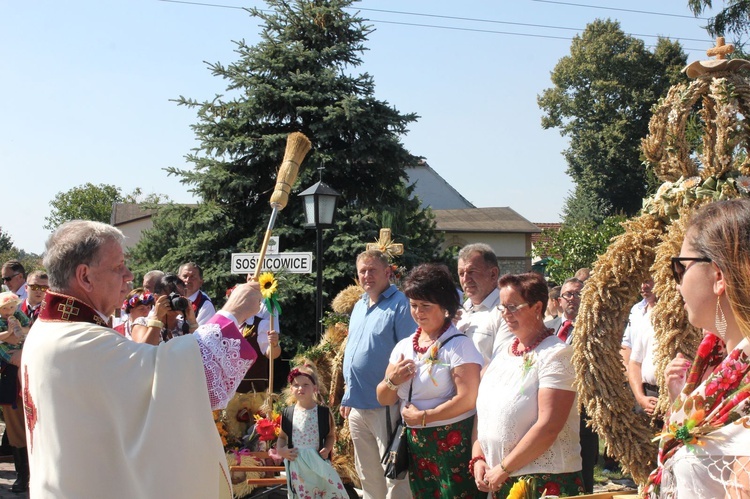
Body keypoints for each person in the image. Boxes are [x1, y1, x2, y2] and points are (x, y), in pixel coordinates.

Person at [21, 220, 262, 498]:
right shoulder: (76, 342)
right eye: (118, 266)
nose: (129, 275)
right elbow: (184, 380)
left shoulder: (49, 329)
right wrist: (233, 313)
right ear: (85, 277)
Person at [644, 199, 750, 498]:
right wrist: (681, 401)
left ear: (718, 276)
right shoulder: (717, 371)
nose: (676, 284)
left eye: (680, 267)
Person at [376, 263, 483, 499]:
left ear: (444, 307)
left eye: (425, 305)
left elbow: (468, 399)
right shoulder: (404, 346)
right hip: (416, 442)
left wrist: (424, 417)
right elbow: (384, 397)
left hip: (452, 441)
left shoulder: (459, 345)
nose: (418, 312)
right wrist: (393, 381)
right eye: (413, 305)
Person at [473, 272, 584, 497]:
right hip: (499, 477)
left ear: (537, 308)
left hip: (543, 480)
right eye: (502, 307)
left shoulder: (557, 354)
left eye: (513, 307)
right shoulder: (503, 353)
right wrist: (478, 458)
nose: (506, 314)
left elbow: (549, 425)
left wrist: (504, 468)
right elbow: (482, 414)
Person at [340, 249, 416, 499]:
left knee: (394, 474)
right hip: (358, 407)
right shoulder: (360, 305)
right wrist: (347, 395)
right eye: (362, 271)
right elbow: (353, 352)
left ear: (387, 272)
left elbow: (408, 353)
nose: (366, 275)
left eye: (372, 270)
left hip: (386, 405)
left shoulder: (400, 304)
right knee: (367, 475)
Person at [545, 276, 598, 493]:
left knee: (583, 468)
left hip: (581, 406)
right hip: (551, 404)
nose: (573, 298)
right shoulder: (549, 328)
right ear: (559, 300)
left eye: (578, 294)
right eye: (568, 294)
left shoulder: (595, 329)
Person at [276, 363, 347, 499]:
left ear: (315, 388)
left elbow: (330, 435)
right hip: (298, 464)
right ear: (291, 389)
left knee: (328, 493)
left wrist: (327, 448)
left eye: (305, 384)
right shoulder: (288, 413)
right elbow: (282, 437)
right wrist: (281, 450)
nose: (300, 388)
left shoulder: (323, 413)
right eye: (296, 385)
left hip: (318, 462)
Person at [455, 243, 511, 364]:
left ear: (493, 274)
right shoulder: (460, 312)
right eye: (461, 273)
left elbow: (504, 361)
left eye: (472, 272)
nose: (465, 279)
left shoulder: (507, 311)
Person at [0, 291, 30, 492]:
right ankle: (23, 475)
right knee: (15, 429)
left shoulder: (26, 316)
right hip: (9, 377)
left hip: (31, 373)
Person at [625, 278, 660, 417]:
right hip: (649, 394)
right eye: (641, 281)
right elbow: (634, 362)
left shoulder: (685, 317)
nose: (643, 286)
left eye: (648, 281)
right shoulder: (645, 318)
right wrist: (641, 398)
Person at [238, 301, 281, 393]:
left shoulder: (261, 325)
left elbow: (272, 355)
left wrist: (274, 344)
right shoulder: (228, 323)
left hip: (253, 391)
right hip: (229, 391)